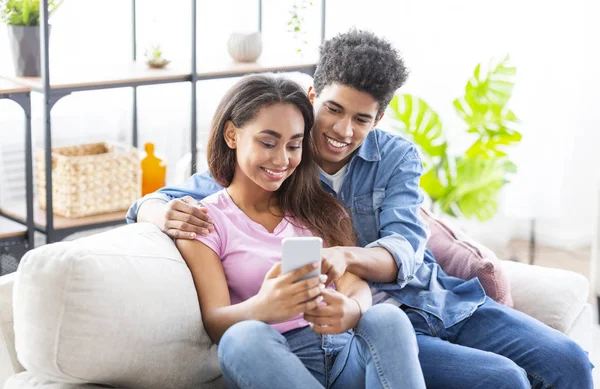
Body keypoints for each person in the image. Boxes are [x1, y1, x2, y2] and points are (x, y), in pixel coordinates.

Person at [128, 30, 593, 388]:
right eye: (333, 109)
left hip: (429, 300)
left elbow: (405, 249)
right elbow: (202, 193)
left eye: (361, 119)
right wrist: (152, 211)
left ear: (379, 119)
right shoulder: (279, 157)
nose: (342, 130)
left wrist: (346, 261)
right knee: (498, 376)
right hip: (358, 323)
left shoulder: (394, 157)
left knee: (568, 360)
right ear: (313, 97)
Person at [173, 73, 426, 389]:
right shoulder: (204, 221)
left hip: (345, 356)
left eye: (294, 145)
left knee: (387, 318)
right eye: (268, 142)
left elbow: (353, 284)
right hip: (277, 359)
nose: (282, 159)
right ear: (232, 135)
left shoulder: (320, 209)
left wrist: (352, 307)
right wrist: (262, 307)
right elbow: (215, 321)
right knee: (242, 338)